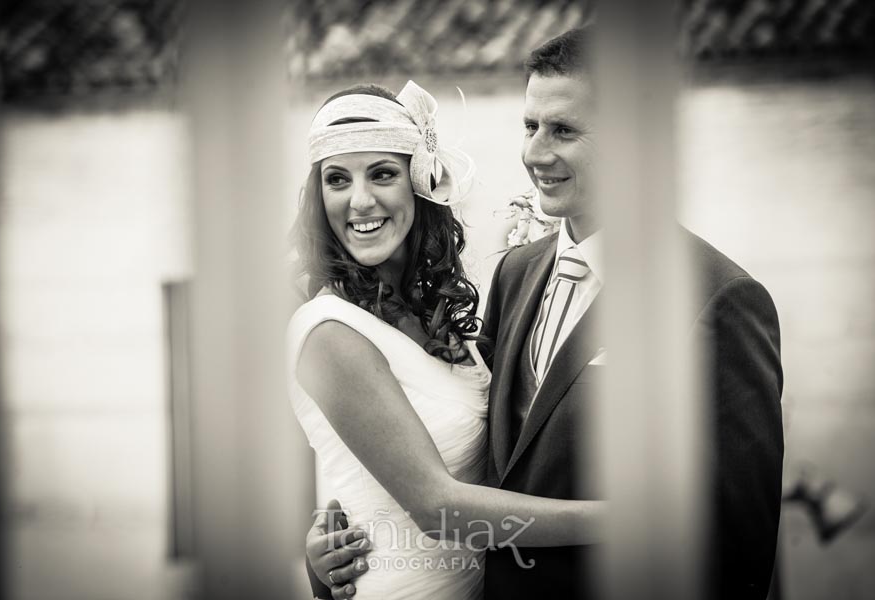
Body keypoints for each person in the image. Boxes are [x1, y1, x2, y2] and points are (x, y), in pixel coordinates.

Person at [308, 27, 784, 600]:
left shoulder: (718, 300)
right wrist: (335, 550)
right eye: (530, 126)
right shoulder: (516, 274)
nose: (535, 153)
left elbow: (739, 543)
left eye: (563, 130)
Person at [288, 80, 607, 600]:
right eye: (337, 179)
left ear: (421, 183)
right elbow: (436, 507)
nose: (360, 200)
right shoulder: (328, 334)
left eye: (383, 174)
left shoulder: (436, 317)